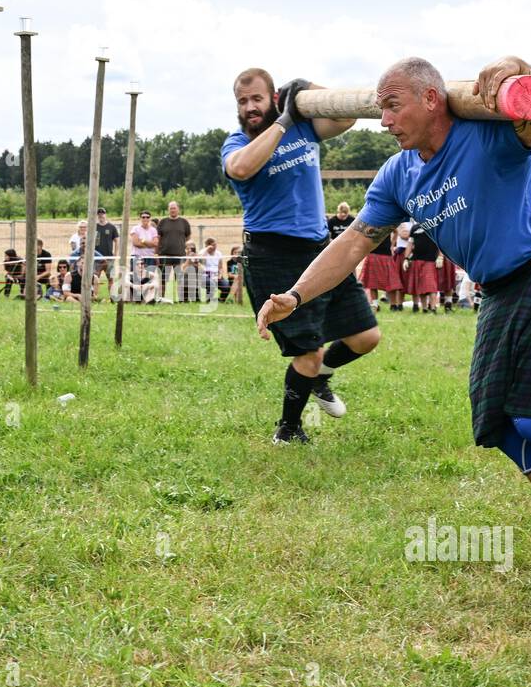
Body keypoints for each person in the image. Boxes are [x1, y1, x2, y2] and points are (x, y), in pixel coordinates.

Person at [257, 54, 531, 567]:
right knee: (502, 425)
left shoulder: (489, 136)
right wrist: (294, 295)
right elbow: (353, 244)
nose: (383, 121)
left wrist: (520, 68)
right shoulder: (397, 175)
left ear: (432, 99)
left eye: (392, 107)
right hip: (499, 295)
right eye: (379, 109)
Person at [222, 68, 380, 443]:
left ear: (274, 96)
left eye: (257, 98)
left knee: (366, 337)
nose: (250, 107)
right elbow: (241, 168)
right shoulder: (236, 142)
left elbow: (347, 115)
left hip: (321, 251)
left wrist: (308, 89)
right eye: (243, 102)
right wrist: (282, 121)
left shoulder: (304, 129)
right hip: (273, 255)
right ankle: (288, 430)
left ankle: (322, 376)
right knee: (307, 354)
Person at [403, 219, 440, 313]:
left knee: (431, 286)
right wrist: (406, 258)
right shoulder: (415, 228)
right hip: (416, 260)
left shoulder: (434, 226)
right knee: (420, 286)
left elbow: (440, 243)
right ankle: (424, 308)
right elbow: (410, 244)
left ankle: (433, 308)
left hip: (430, 260)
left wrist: (440, 257)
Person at [155, 202, 191, 299]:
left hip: (179, 256)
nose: (173, 210)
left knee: (179, 278)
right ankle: (161, 298)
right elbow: (157, 239)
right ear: (168, 209)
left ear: (178, 209)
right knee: (163, 279)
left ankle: (181, 299)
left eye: (174, 208)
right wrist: (156, 254)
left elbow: (188, 237)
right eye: (171, 208)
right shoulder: (163, 222)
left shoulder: (184, 222)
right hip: (165, 255)